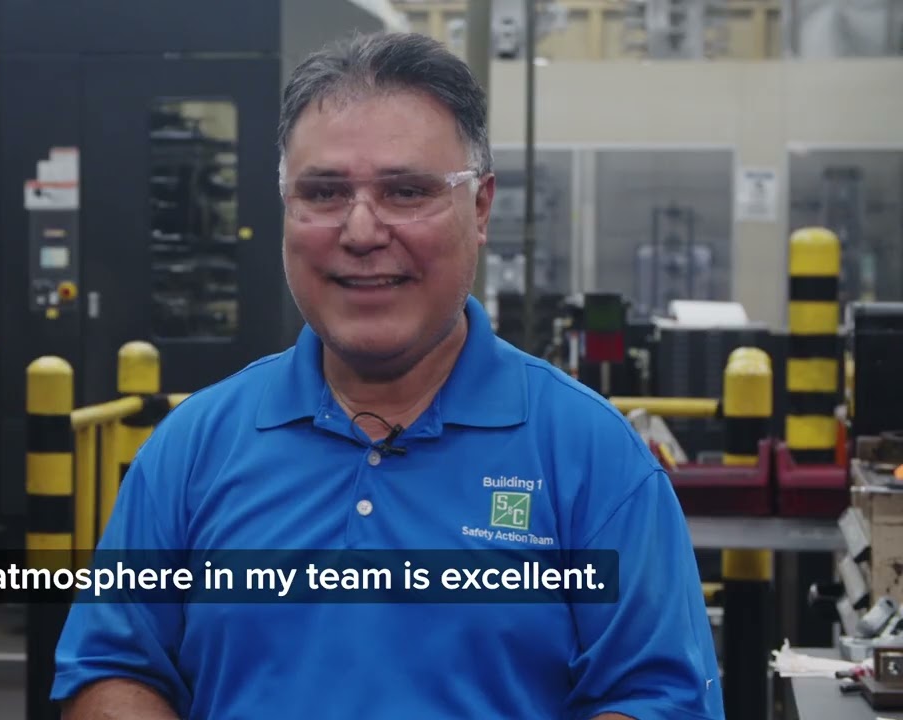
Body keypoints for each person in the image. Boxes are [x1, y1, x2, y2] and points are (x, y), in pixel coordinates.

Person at [50, 31, 725, 720]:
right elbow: (111, 668)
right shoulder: (193, 449)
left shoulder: (591, 459)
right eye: (324, 192)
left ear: (481, 207)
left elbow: (658, 699)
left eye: (406, 192)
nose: (362, 231)